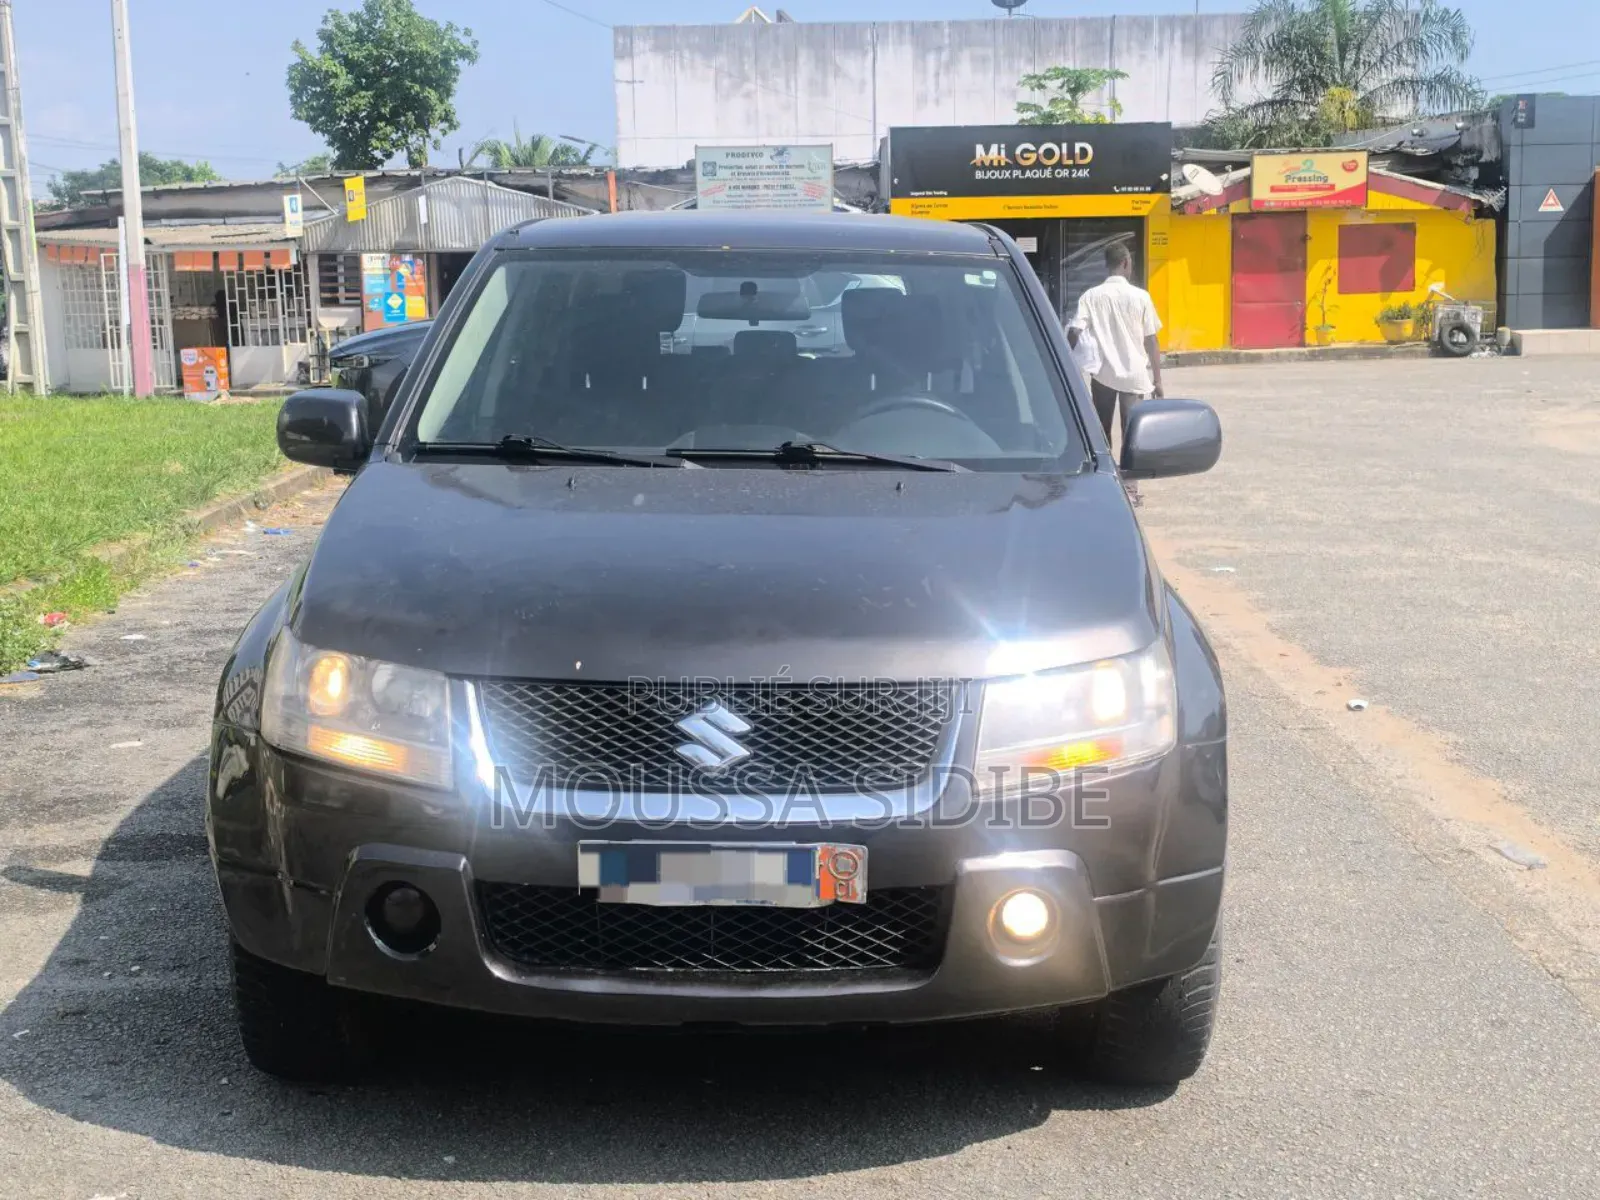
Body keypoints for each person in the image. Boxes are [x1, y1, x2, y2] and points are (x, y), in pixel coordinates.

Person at [1066, 243, 1164, 504]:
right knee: (1132, 434)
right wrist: (1158, 380)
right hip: (1134, 376)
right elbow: (1151, 340)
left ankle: (1105, 484)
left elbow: (1074, 330)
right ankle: (1130, 491)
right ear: (1125, 263)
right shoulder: (1141, 297)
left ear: (1106, 265)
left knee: (1102, 431)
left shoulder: (1090, 296)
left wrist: (1067, 362)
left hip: (1103, 375)